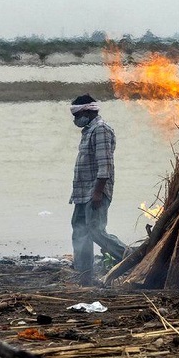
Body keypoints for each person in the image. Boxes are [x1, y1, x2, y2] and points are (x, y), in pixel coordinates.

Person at [69, 94, 127, 285]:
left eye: (78, 114)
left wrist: (97, 192)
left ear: (87, 111)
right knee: (80, 231)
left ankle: (131, 259)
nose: (75, 119)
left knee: (96, 231)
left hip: (95, 192)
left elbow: (105, 166)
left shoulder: (101, 130)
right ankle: (85, 276)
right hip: (81, 193)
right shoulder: (89, 131)